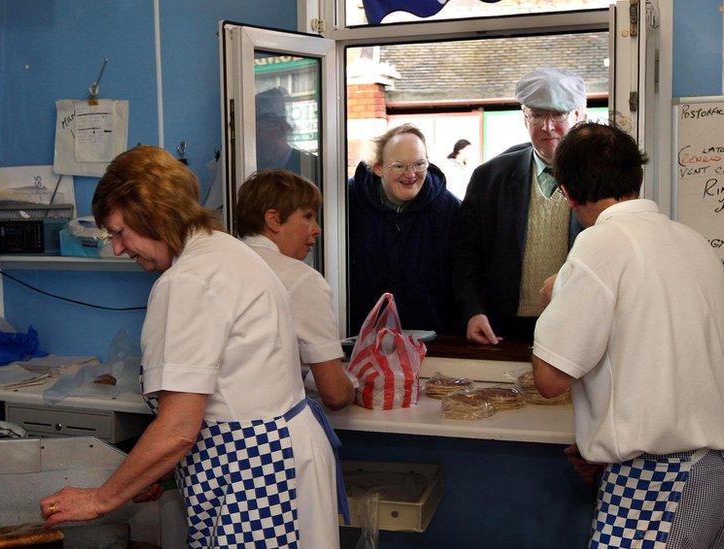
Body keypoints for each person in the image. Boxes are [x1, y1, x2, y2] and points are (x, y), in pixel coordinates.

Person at [39, 146, 345, 548]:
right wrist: (148, 473)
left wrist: (101, 499)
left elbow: (179, 429)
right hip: (276, 460)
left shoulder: (188, 280)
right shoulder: (224, 249)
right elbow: (225, 393)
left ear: (158, 216)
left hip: (256, 477)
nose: (117, 248)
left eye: (120, 232)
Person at [531, 123, 724, 547]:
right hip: (720, 475)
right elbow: (655, 356)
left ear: (568, 194)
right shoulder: (693, 242)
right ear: (637, 178)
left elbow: (549, 379)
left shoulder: (600, 244)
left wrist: (558, 295)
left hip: (658, 485)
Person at [451, 67, 587, 344]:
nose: (547, 127)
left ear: (578, 115)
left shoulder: (600, 178)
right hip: (503, 329)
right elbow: (465, 254)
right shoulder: (489, 178)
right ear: (524, 118)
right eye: (536, 115)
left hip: (577, 325)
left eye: (557, 114)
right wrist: (473, 311)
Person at [234, 168, 356, 410]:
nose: (317, 229)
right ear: (274, 220)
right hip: (271, 433)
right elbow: (335, 394)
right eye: (308, 216)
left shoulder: (215, 265)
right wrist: (353, 389)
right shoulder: (300, 279)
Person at [347, 123, 460, 335]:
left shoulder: (449, 210)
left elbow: (464, 274)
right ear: (378, 168)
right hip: (361, 341)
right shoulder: (347, 204)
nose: (411, 174)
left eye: (419, 164)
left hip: (430, 341)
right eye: (399, 166)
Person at [256, 86, 318, 184]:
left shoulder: (312, 167)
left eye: (259, 129)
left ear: (280, 128)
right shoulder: (251, 167)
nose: (255, 138)